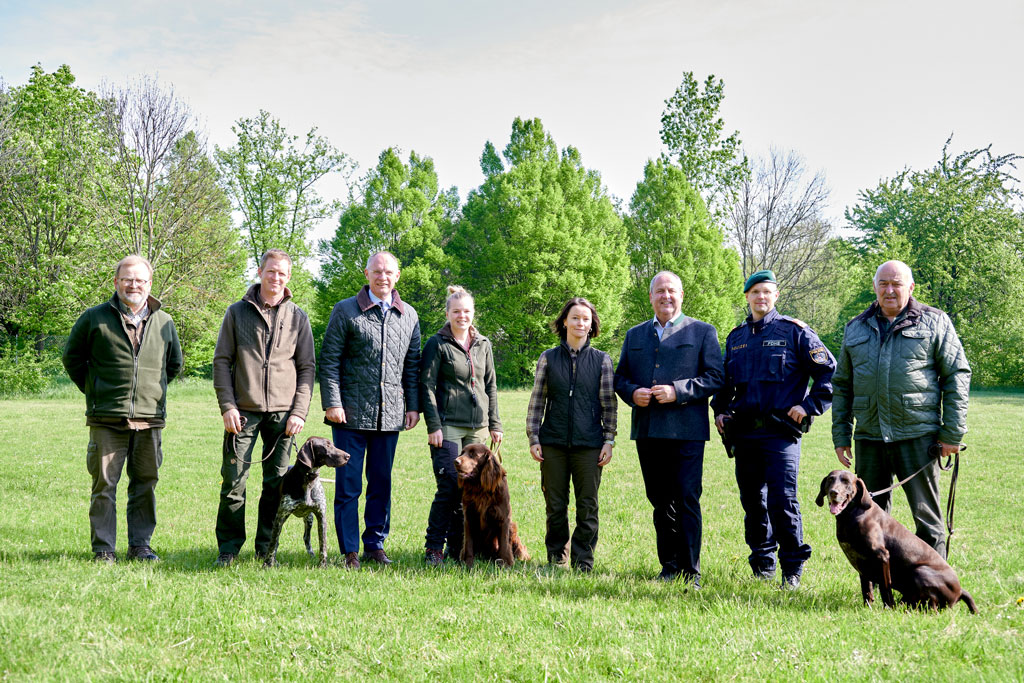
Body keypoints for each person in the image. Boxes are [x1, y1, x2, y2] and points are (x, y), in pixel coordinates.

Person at [832, 260, 970, 558]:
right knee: (867, 518)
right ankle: (880, 585)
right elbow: (842, 384)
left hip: (919, 437)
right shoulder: (855, 327)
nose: (890, 290)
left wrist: (953, 433)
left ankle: (935, 588)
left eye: (896, 284)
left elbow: (957, 374)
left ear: (910, 287)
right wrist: (841, 435)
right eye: (883, 284)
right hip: (869, 437)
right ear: (875, 287)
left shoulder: (935, 321)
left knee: (928, 521)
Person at [711, 270, 835, 589]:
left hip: (781, 434)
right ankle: (762, 562)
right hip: (745, 434)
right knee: (753, 501)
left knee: (783, 500)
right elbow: (725, 385)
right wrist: (721, 411)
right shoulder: (736, 338)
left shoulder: (795, 332)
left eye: (767, 292)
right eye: (755, 293)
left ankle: (792, 569)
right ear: (747, 297)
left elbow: (829, 375)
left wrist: (807, 407)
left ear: (776, 296)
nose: (761, 297)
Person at [62, 255, 183, 563]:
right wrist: (96, 390)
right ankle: (104, 549)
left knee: (145, 484)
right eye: (127, 279)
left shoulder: (164, 321)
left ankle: (140, 545)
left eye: (140, 280)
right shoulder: (94, 318)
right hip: (106, 418)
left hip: (150, 419)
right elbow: (72, 359)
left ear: (149, 284)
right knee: (104, 486)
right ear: (116, 282)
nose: (133, 285)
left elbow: (174, 365)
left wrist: (149, 393)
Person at [614, 271, 724, 585]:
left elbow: (715, 377)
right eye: (660, 291)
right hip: (648, 431)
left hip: (687, 432)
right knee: (660, 500)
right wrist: (632, 393)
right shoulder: (635, 335)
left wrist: (678, 391)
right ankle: (669, 567)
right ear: (650, 297)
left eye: (671, 291)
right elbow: (620, 378)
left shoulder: (703, 332)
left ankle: (691, 571)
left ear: (681, 295)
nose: (666, 296)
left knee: (687, 499)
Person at [211, 249, 316, 568]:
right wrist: (227, 406)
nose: (276, 278)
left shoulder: (298, 316)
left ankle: (265, 549)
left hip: (284, 417)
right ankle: (228, 549)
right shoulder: (236, 312)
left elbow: (307, 367)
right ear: (260, 272)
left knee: (276, 484)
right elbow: (221, 362)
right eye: (271, 272)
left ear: (288, 277)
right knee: (233, 482)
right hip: (242, 413)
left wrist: (298, 412)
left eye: (282, 273)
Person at [320, 251, 421, 568]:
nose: (383, 277)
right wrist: (332, 402)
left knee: (381, 484)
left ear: (397, 276)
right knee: (348, 486)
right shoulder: (346, 311)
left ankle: (375, 545)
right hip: (349, 415)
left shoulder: (410, 316)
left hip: (390, 417)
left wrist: (413, 407)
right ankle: (349, 550)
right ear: (366, 274)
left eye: (388, 272)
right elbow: (329, 360)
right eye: (377, 271)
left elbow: (412, 367)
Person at [526, 297, 616, 572]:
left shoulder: (602, 361)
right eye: (575, 317)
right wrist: (534, 437)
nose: (580, 323)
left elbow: (609, 405)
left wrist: (609, 440)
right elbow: (537, 401)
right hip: (552, 442)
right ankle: (557, 557)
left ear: (592, 326)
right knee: (555, 506)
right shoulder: (548, 358)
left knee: (587, 506)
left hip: (590, 444)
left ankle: (583, 561)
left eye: (585, 319)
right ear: (564, 321)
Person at [419, 285, 503, 566]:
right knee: (448, 487)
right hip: (447, 426)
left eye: (467, 311)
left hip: (477, 428)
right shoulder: (437, 344)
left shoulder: (484, 344)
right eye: (456, 311)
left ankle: (459, 548)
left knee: (472, 490)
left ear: (473, 313)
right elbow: (426, 387)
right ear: (448, 313)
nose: (462, 316)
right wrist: (434, 425)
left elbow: (490, 385)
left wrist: (495, 423)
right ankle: (433, 548)